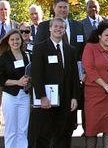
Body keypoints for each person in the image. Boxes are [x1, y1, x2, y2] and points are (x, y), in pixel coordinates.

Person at [29, 17, 80, 148]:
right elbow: (36, 74)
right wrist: (42, 97)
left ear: (65, 30)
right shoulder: (40, 48)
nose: (58, 29)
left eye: (61, 27)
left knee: (63, 134)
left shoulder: (71, 50)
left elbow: (74, 76)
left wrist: (74, 97)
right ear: (50, 28)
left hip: (66, 98)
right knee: (44, 134)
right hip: (47, 99)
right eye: (56, 27)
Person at [0, 29, 30, 148]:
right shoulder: (3, 58)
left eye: (17, 39)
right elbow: (0, 80)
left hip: (25, 96)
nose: (15, 42)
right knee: (11, 129)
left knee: (23, 129)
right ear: (8, 42)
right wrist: (17, 82)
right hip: (10, 96)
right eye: (12, 40)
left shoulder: (27, 56)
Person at [0, 0, 19, 137]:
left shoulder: (16, 26)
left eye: (6, 9)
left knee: (13, 95)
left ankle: (12, 123)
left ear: (10, 10)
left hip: (14, 67)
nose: (4, 12)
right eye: (1, 10)